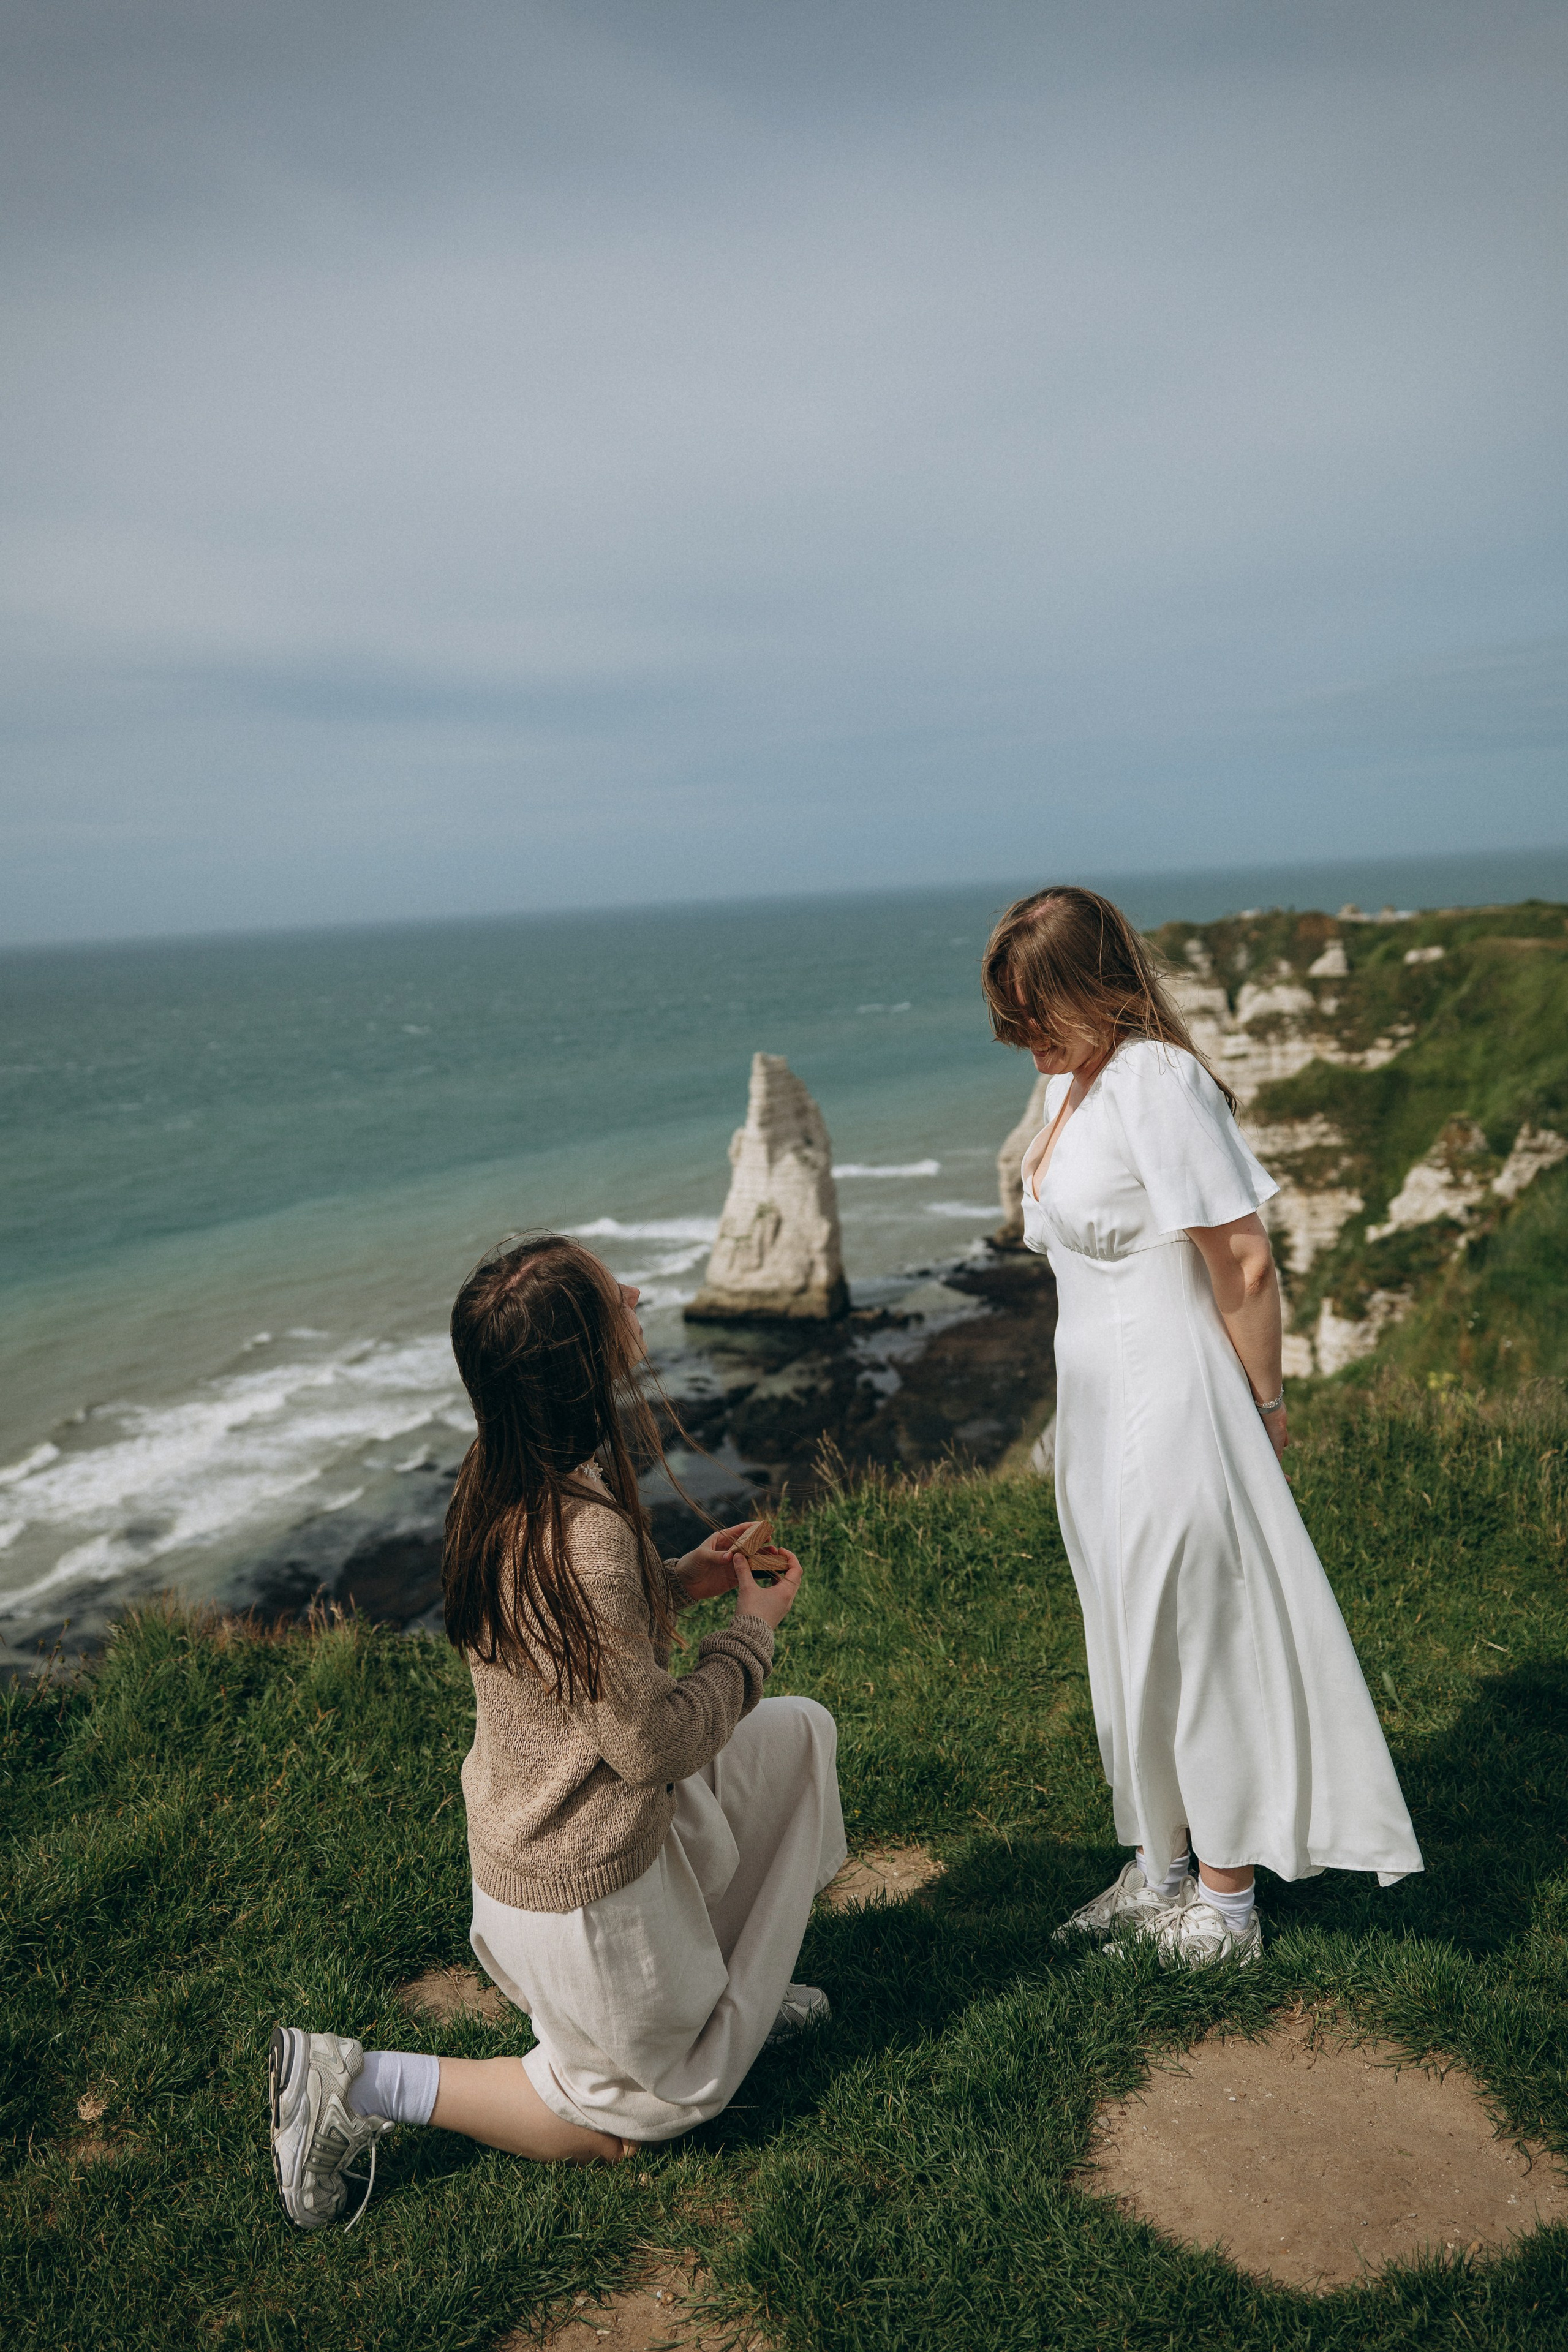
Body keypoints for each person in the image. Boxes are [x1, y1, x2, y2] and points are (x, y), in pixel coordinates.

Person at [270, 1235, 846, 2229]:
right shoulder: (586, 1537)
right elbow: (654, 1748)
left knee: (796, 1739)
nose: (634, 1297)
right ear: (585, 1362)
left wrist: (675, 1582)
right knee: (643, 2120)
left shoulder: (495, 1476)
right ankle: (359, 2083)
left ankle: (718, 1999)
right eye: (610, 1298)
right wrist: (748, 1637)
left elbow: (570, 1641)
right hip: (581, 1889)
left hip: (549, 1847)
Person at [984, 886, 1421, 1965]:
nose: (1023, 1038)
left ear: (1096, 991)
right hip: (1094, 1406)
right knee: (1127, 1633)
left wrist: (1266, 1404)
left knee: (1199, 1634)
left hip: (1173, 1396)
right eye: (1011, 1018)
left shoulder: (1156, 1081)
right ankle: (1160, 1866)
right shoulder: (1068, 1090)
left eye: (1036, 1012)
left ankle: (1225, 1910)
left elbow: (1246, 1258)